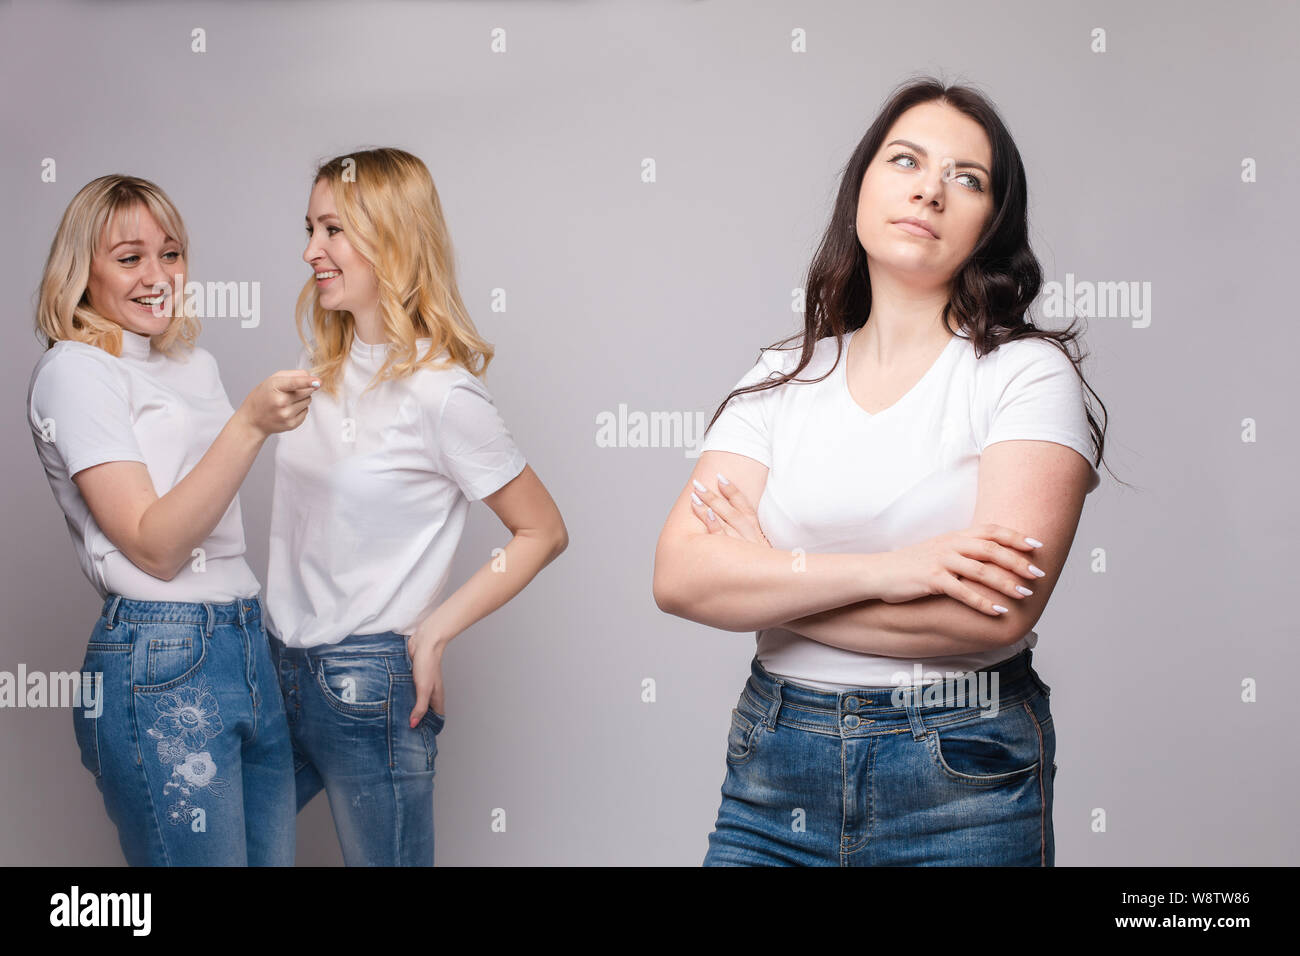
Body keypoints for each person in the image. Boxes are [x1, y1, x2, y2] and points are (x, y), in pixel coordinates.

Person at [653, 78, 1110, 866]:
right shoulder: (779, 377)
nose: (930, 190)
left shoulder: (1024, 375)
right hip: (775, 765)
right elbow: (680, 578)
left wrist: (768, 580)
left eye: (967, 179)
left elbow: (991, 617)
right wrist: (897, 570)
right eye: (906, 160)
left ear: (989, 224)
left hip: (960, 772)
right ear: (861, 185)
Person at [265, 147, 568, 866]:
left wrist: (432, 633)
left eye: (332, 230)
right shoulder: (319, 370)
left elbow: (543, 530)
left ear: (393, 237)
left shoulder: (443, 392)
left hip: (368, 682)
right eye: (309, 229)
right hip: (274, 665)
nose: (312, 251)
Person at [27, 175, 317, 865]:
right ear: (81, 272)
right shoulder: (75, 372)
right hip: (162, 655)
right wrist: (250, 424)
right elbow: (155, 547)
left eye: (173, 253)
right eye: (129, 258)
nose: (157, 276)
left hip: (246, 640)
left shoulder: (194, 362)